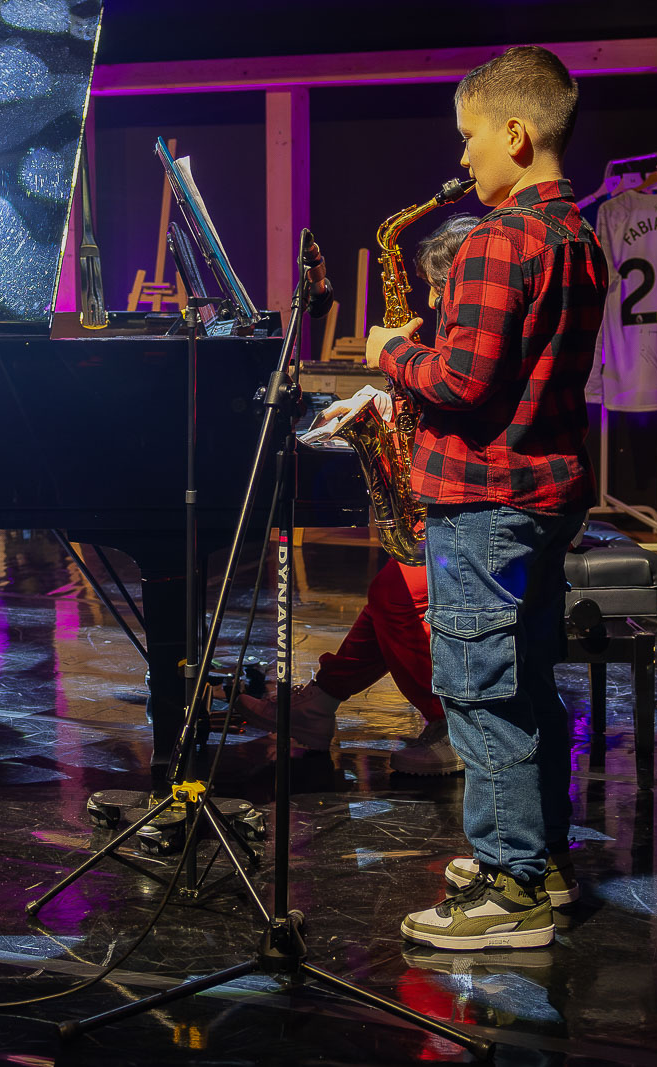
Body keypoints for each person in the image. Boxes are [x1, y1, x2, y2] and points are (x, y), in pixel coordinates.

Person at [371, 45, 609, 951]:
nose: (463, 156)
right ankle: (540, 859)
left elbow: (460, 382)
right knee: (527, 682)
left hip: (485, 500)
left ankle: (511, 890)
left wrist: (390, 350)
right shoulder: (577, 236)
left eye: (470, 136)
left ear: (514, 133)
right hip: (544, 496)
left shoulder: (497, 240)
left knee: (479, 693)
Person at [235, 215, 479, 777]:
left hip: (486, 509)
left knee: (393, 594)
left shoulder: (483, 321)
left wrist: (393, 356)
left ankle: (455, 727)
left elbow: (463, 395)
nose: (432, 302)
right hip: (465, 501)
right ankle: (318, 706)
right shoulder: (467, 328)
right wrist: (381, 401)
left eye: (438, 289)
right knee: (388, 594)